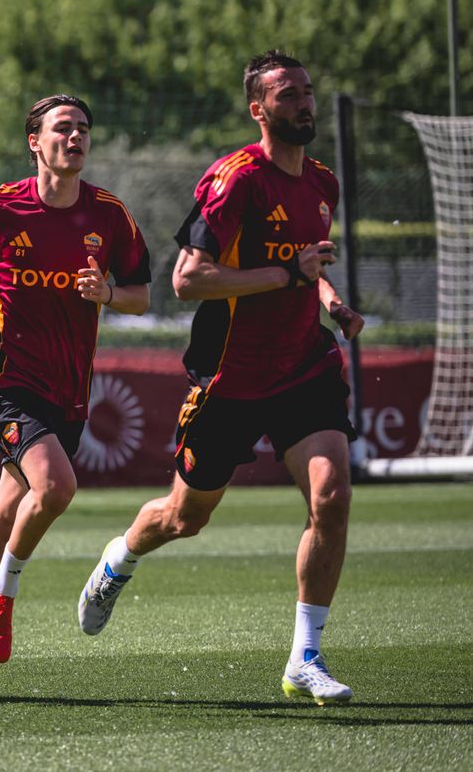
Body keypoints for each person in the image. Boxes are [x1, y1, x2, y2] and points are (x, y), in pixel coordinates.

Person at [77, 51, 364, 706]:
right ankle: (119, 558)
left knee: (332, 496)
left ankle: (306, 657)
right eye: (288, 94)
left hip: (304, 366)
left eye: (308, 91)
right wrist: (290, 274)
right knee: (184, 518)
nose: (305, 104)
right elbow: (186, 280)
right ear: (258, 110)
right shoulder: (236, 181)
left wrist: (329, 299)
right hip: (230, 375)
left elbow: (306, 262)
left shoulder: (322, 183)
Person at [0, 95, 151, 701]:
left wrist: (108, 292)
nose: (75, 136)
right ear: (35, 141)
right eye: (63, 128)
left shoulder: (109, 215)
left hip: (69, 391)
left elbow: (142, 295)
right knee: (56, 488)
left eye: (83, 127)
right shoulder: (0, 206)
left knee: (5, 518)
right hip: (4, 381)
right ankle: (4, 593)